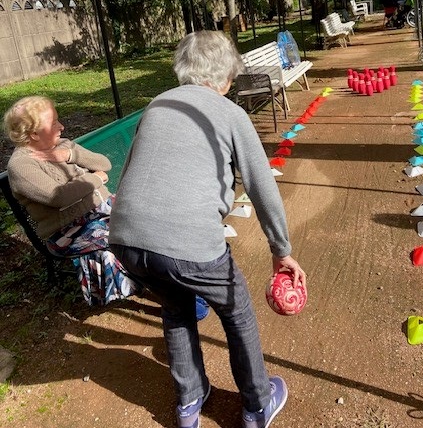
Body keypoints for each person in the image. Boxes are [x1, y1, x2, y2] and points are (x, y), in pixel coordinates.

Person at [109, 30, 306, 428]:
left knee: (177, 309)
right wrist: (281, 250)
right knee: (237, 313)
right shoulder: (230, 112)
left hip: (126, 238)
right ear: (227, 77)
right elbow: (261, 184)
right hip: (188, 242)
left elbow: (130, 171)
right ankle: (257, 404)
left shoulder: (157, 104)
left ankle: (189, 404)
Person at [3, 95, 140, 306]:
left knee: (146, 221)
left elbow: (105, 163)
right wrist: (96, 179)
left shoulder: (63, 145)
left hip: (102, 210)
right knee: (121, 237)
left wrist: (69, 155)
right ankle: (165, 287)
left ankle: (162, 278)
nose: (62, 126)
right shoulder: (21, 166)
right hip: (68, 231)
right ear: (33, 134)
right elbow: (58, 196)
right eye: (54, 122)